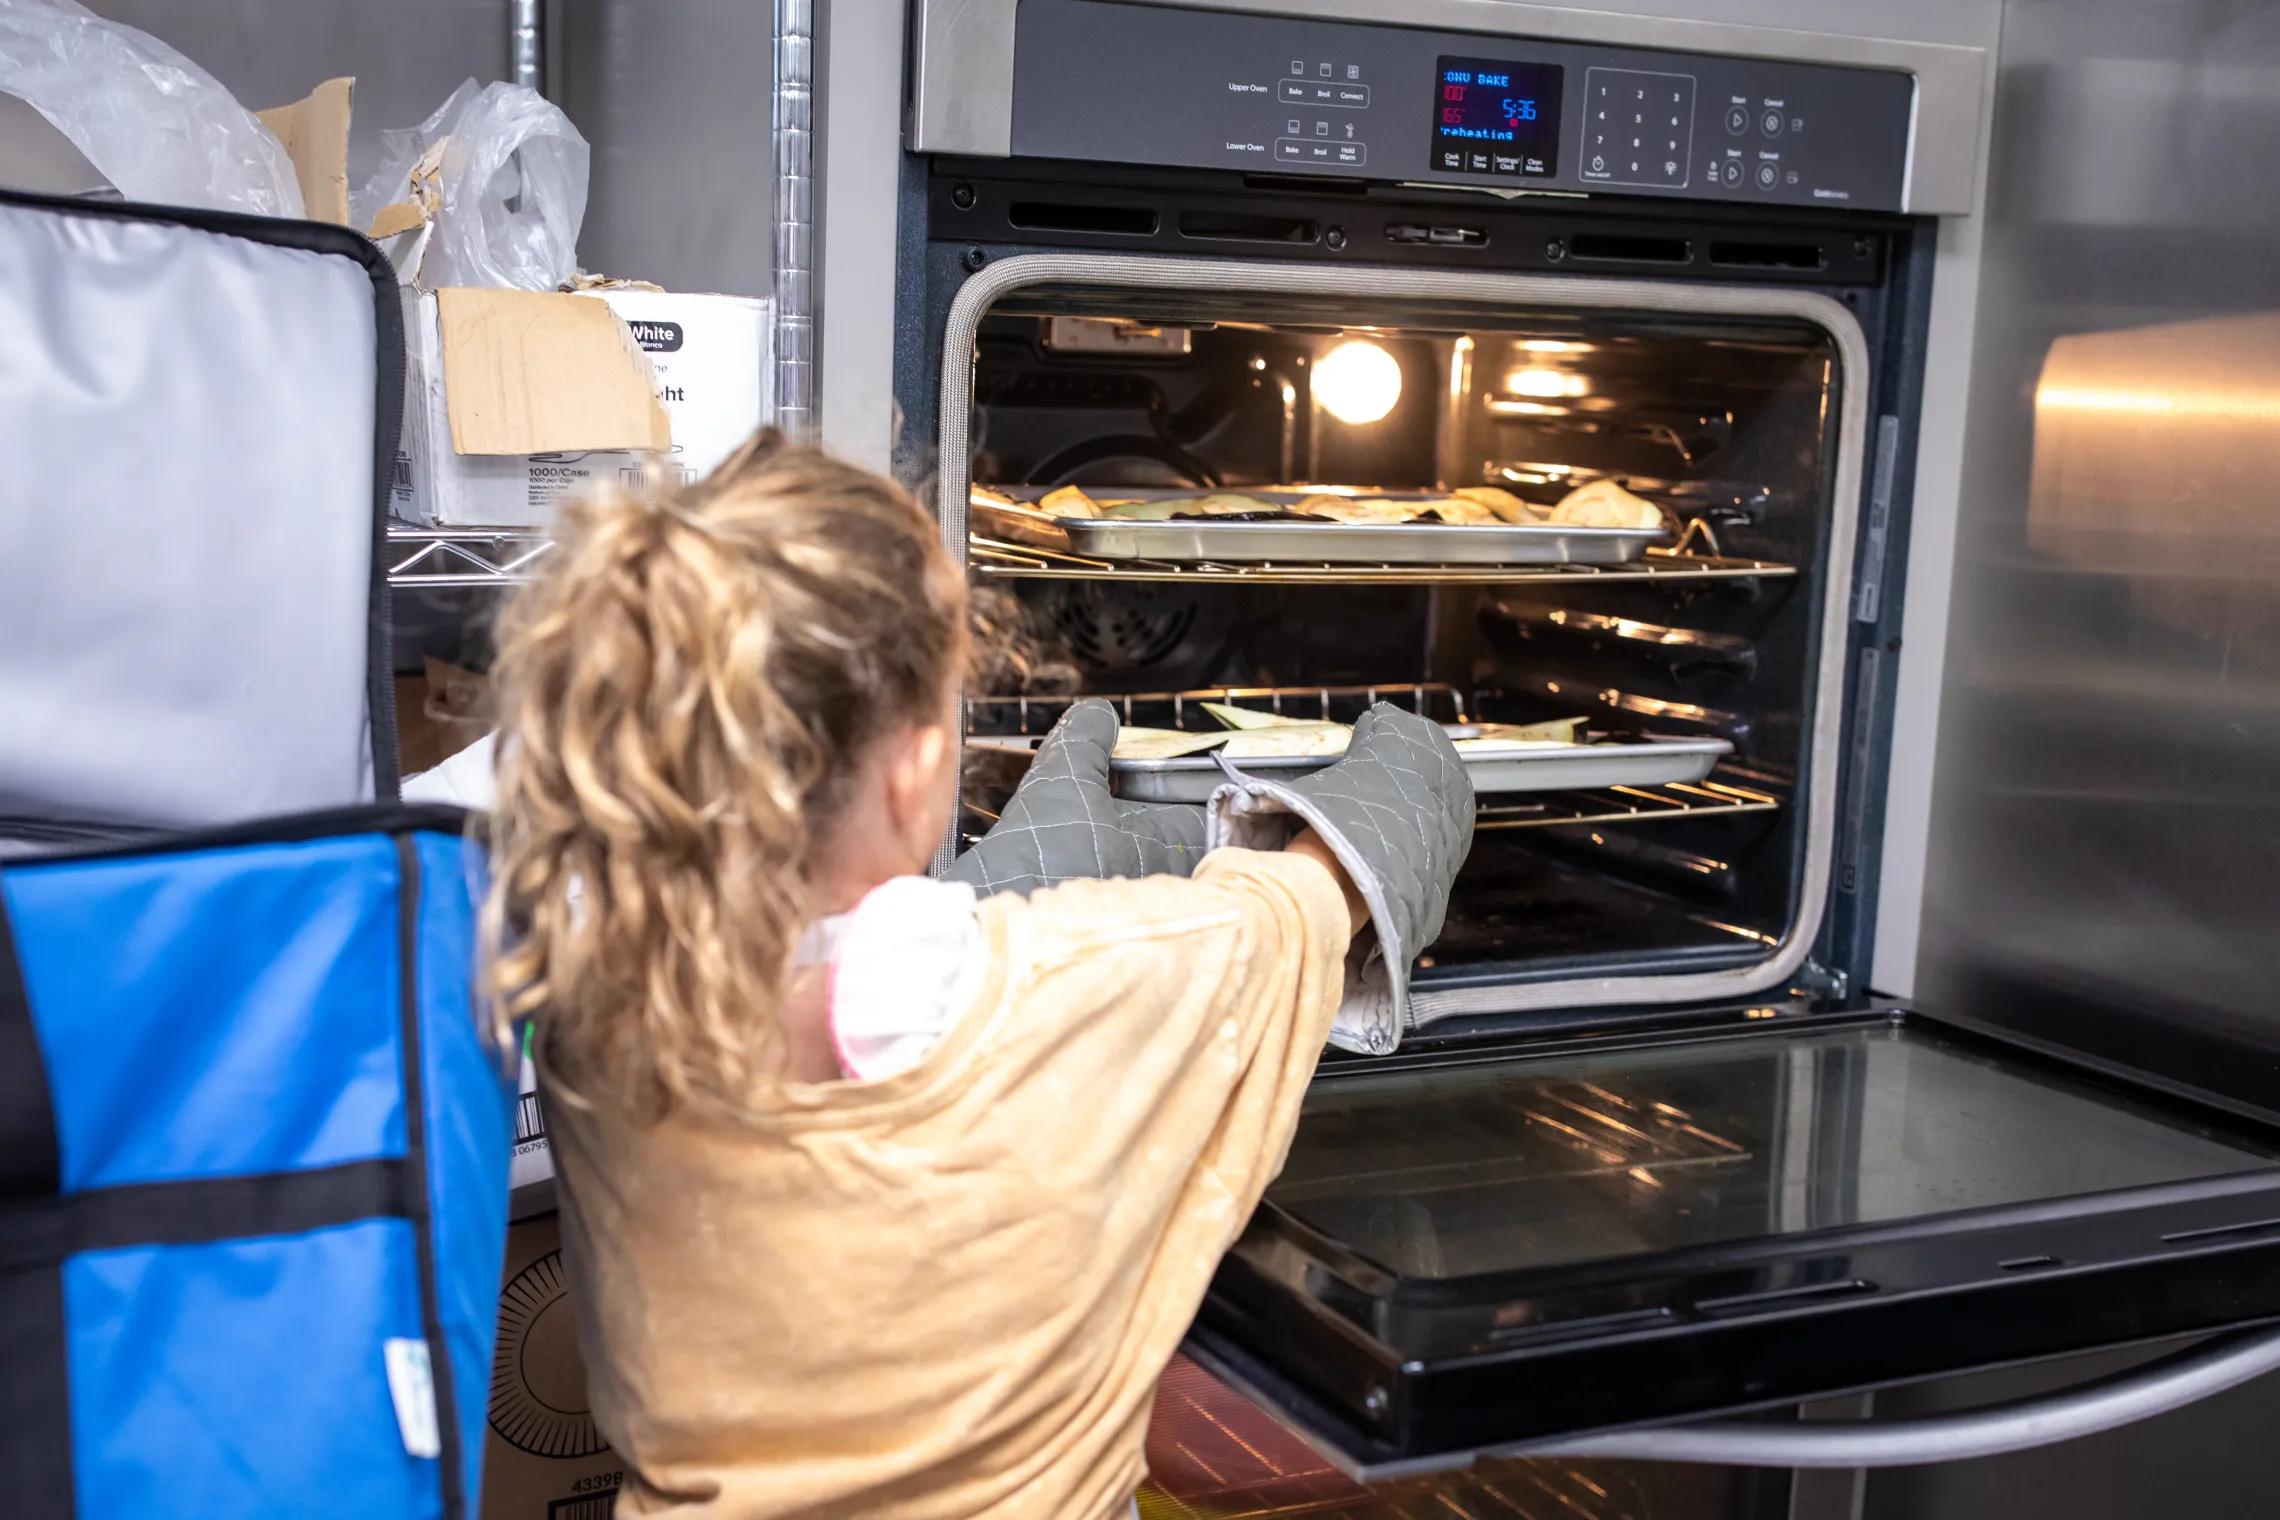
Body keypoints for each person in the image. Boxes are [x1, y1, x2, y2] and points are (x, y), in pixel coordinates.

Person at [480, 430, 1473, 1518]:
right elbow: (1291, 914)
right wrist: (1409, 763)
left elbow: (833, 960)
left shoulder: (591, 994)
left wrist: (1031, 871)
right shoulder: (1070, 983)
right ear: (914, 772)